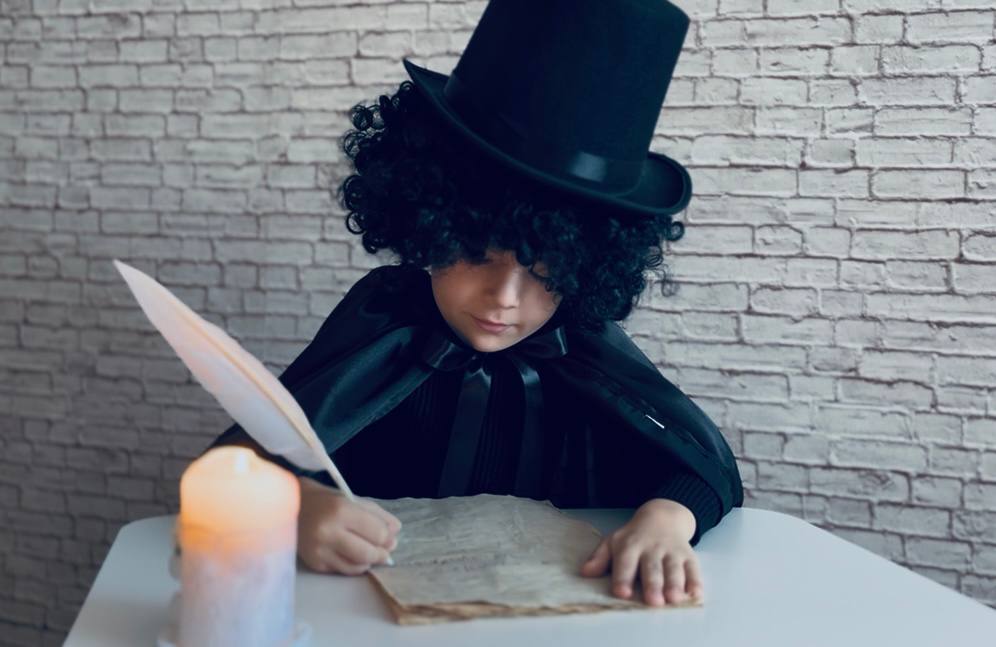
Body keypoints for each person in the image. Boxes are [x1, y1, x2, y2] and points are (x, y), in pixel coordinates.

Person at [202, 0, 743, 609]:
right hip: (361, 612)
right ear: (427, 224)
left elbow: (702, 464)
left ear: (589, 265)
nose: (504, 300)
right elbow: (236, 462)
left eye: (546, 271)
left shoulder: (585, 347)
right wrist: (294, 506)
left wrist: (667, 519)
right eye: (478, 253)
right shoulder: (382, 319)